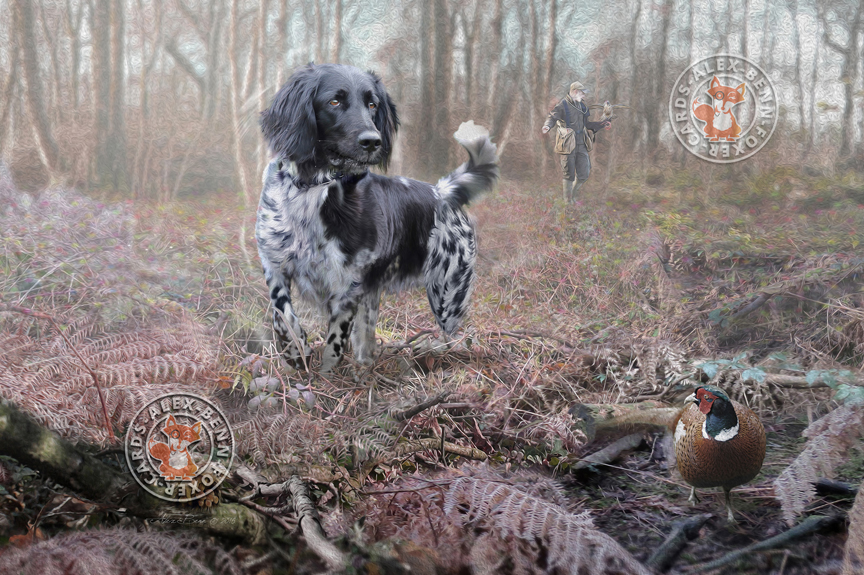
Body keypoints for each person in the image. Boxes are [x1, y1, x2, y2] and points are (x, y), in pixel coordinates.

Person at [542, 81, 611, 203]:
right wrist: (547, 126)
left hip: (581, 143)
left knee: (584, 174)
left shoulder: (582, 106)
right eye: (582, 93)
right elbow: (552, 117)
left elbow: (587, 124)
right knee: (568, 174)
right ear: (575, 92)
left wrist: (602, 124)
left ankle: (572, 196)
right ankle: (567, 202)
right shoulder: (562, 105)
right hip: (567, 143)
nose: (584, 96)